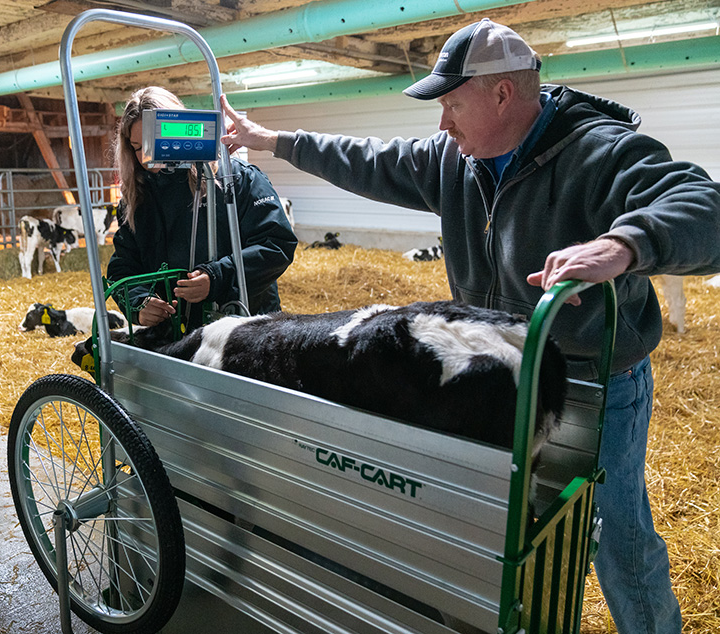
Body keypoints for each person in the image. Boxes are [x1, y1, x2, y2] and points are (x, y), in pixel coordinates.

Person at [220, 18, 720, 634]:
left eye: (452, 105)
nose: (443, 123)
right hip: (498, 375)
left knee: (613, 535)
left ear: (502, 94)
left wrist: (624, 243)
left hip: (592, 380)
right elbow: (368, 159)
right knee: (503, 528)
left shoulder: (601, 153)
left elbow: (704, 207)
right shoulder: (453, 159)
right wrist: (272, 140)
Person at [108, 86, 296, 331]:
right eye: (137, 147)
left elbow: (276, 245)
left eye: (154, 144)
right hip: (176, 333)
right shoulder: (137, 197)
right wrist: (139, 303)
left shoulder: (236, 178)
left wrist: (217, 277)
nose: (146, 157)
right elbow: (123, 265)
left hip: (246, 326)